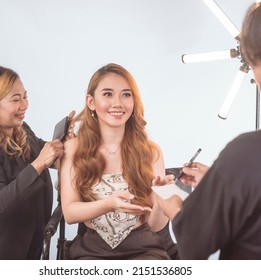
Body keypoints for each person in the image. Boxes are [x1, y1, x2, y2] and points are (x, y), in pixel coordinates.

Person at [157, 0, 261, 259]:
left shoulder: (246, 155)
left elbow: (195, 243)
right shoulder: (243, 163)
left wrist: (175, 209)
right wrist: (220, 184)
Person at [60, 63, 176, 259]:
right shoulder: (73, 148)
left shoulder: (151, 151)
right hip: (92, 249)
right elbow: (70, 213)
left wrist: (162, 199)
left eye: (126, 94)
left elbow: (156, 225)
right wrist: (109, 204)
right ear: (91, 101)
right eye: (107, 94)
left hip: (144, 247)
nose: (118, 103)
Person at [0, 66, 73, 259]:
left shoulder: (23, 131)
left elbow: (52, 157)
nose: (25, 105)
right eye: (16, 99)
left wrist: (66, 142)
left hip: (30, 246)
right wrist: (40, 163)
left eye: (25, 96)